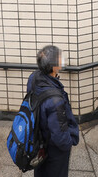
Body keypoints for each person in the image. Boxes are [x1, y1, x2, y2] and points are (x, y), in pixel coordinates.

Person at [27, 45, 79, 177]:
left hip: (39, 137)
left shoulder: (33, 77)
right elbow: (60, 136)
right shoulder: (55, 101)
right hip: (53, 147)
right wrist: (69, 142)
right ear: (54, 67)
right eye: (60, 58)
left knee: (41, 168)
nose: (63, 60)